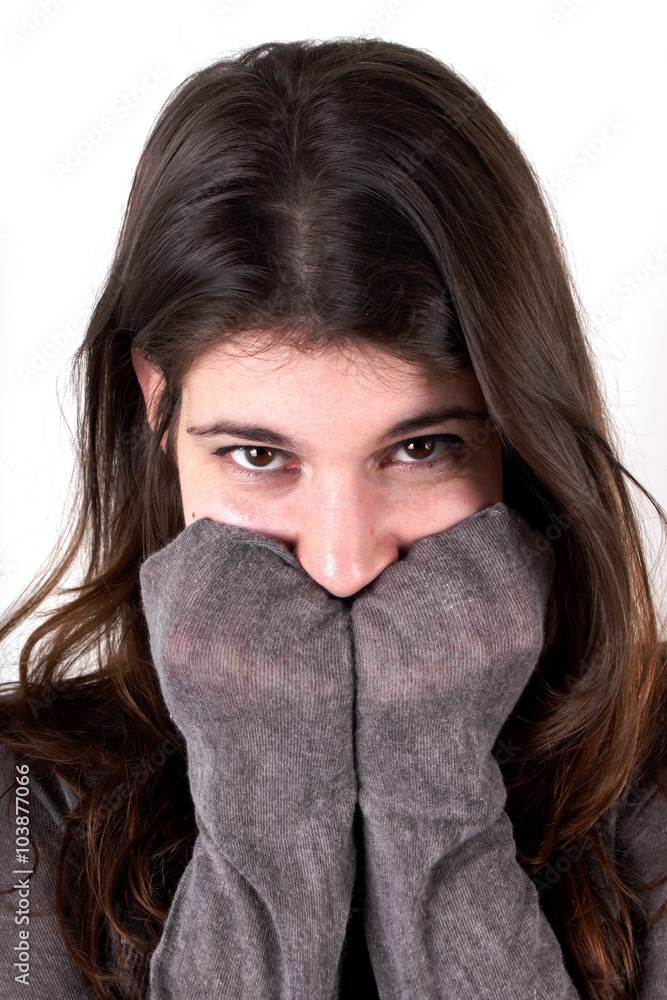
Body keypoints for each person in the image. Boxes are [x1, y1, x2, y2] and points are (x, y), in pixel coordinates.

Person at [0, 36, 665, 1000]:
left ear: (518, 431)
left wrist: (434, 811)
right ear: (155, 403)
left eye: (422, 447)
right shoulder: (24, 800)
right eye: (259, 456)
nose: (343, 561)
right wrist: (267, 819)